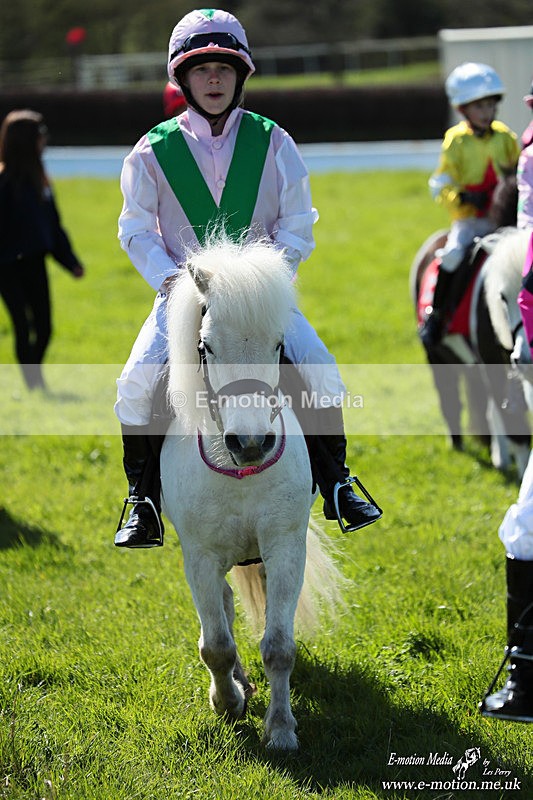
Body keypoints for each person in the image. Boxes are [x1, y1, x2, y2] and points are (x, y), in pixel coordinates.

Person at [113, 8, 381, 549]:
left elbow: (298, 225)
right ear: (182, 80)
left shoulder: (274, 141)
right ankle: (141, 501)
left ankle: (337, 483)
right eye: (201, 69)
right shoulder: (152, 150)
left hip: (262, 297)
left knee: (323, 372)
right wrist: (171, 283)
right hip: (184, 296)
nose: (214, 79)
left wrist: (269, 280)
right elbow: (136, 229)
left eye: (224, 68)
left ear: (241, 77)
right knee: (135, 383)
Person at [420, 62, 520, 347]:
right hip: (469, 220)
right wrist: (463, 197)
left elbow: (518, 173)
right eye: (479, 107)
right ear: (463, 109)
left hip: (502, 220)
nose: (487, 113)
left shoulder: (505, 137)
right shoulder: (455, 141)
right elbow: (440, 184)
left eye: (490, 106)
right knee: (452, 254)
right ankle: (435, 317)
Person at [0, 109, 84, 390]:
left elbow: (53, 227)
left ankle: (32, 378)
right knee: (23, 327)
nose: (44, 139)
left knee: (45, 328)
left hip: (35, 264)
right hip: (8, 267)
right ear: (26, 141)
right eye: (40, 134)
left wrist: (70, 261)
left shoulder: (41, 182)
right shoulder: (3, 183)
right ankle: (34, 385)